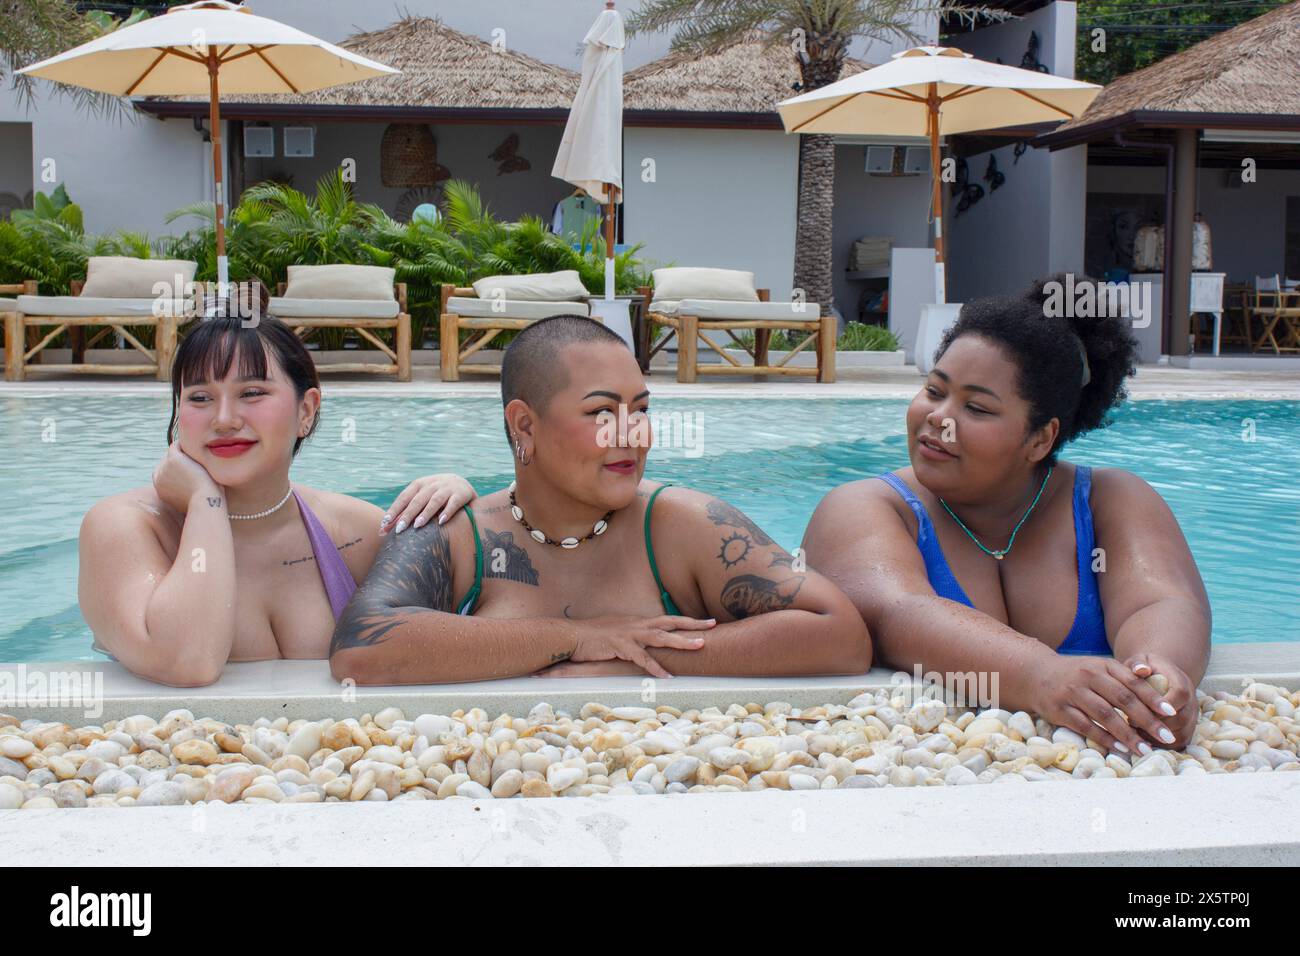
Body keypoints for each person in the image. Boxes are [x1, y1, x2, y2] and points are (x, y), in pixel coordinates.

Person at [329, 315, 871, 684]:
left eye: (641, 409)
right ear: (525, 425)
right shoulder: (458, 532)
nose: (633, 433)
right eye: (601, 413)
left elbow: (842, 635)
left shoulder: (681, 524)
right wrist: (578, 638)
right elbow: (361, 649)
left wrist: (639, 654)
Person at [803, 277, 1210, 753]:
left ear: (1040, 438)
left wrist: (1153, 678)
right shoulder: (867, 507)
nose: (940, 417)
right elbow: (899, 612)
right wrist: (1041, 676)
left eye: (975, 407)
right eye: (935, 391)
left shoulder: (1109, 499)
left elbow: (1161, 601)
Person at [78, 315, 475, 686]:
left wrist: (463, 512)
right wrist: (204, 502)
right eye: (200, 398)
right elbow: (187, 661)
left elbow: (480, 614)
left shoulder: (353, 532)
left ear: (307, 410)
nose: (225, 419)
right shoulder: (125, 527)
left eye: (252, 393)